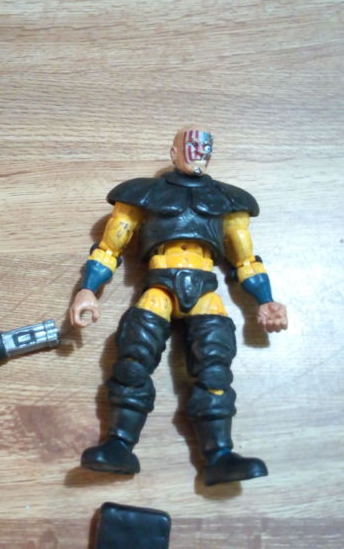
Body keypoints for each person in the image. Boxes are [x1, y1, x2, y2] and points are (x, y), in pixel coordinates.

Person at [70, 127, 287, 485]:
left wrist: (266, 300)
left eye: (204, 150)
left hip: (205, 291)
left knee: (215, 370)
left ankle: (219, 455)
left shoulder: (228, 201)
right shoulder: (142, 195)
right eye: (190, 148)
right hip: (159, 288)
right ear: (173, 153)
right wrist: (87, 290)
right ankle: (119, 445)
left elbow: (245, 260)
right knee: (133, 361)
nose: (197, 155)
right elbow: (109, 248)